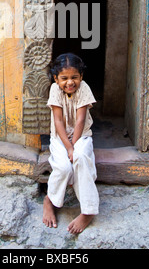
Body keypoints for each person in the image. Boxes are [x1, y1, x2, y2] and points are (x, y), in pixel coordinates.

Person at [43, 53, 99, 234]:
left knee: (81, 158)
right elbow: (58, 122)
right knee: (64, 168)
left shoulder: (84, 88)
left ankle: (88, 210)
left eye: (74, 77)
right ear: (56, 79)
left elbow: (81, 120)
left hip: (81, 136)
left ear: (81, 77)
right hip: (60, 139)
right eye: (64, 78)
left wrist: (74, 147)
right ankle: (49, 201)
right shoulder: (54, 90)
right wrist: (68, 148)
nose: (70, 82)